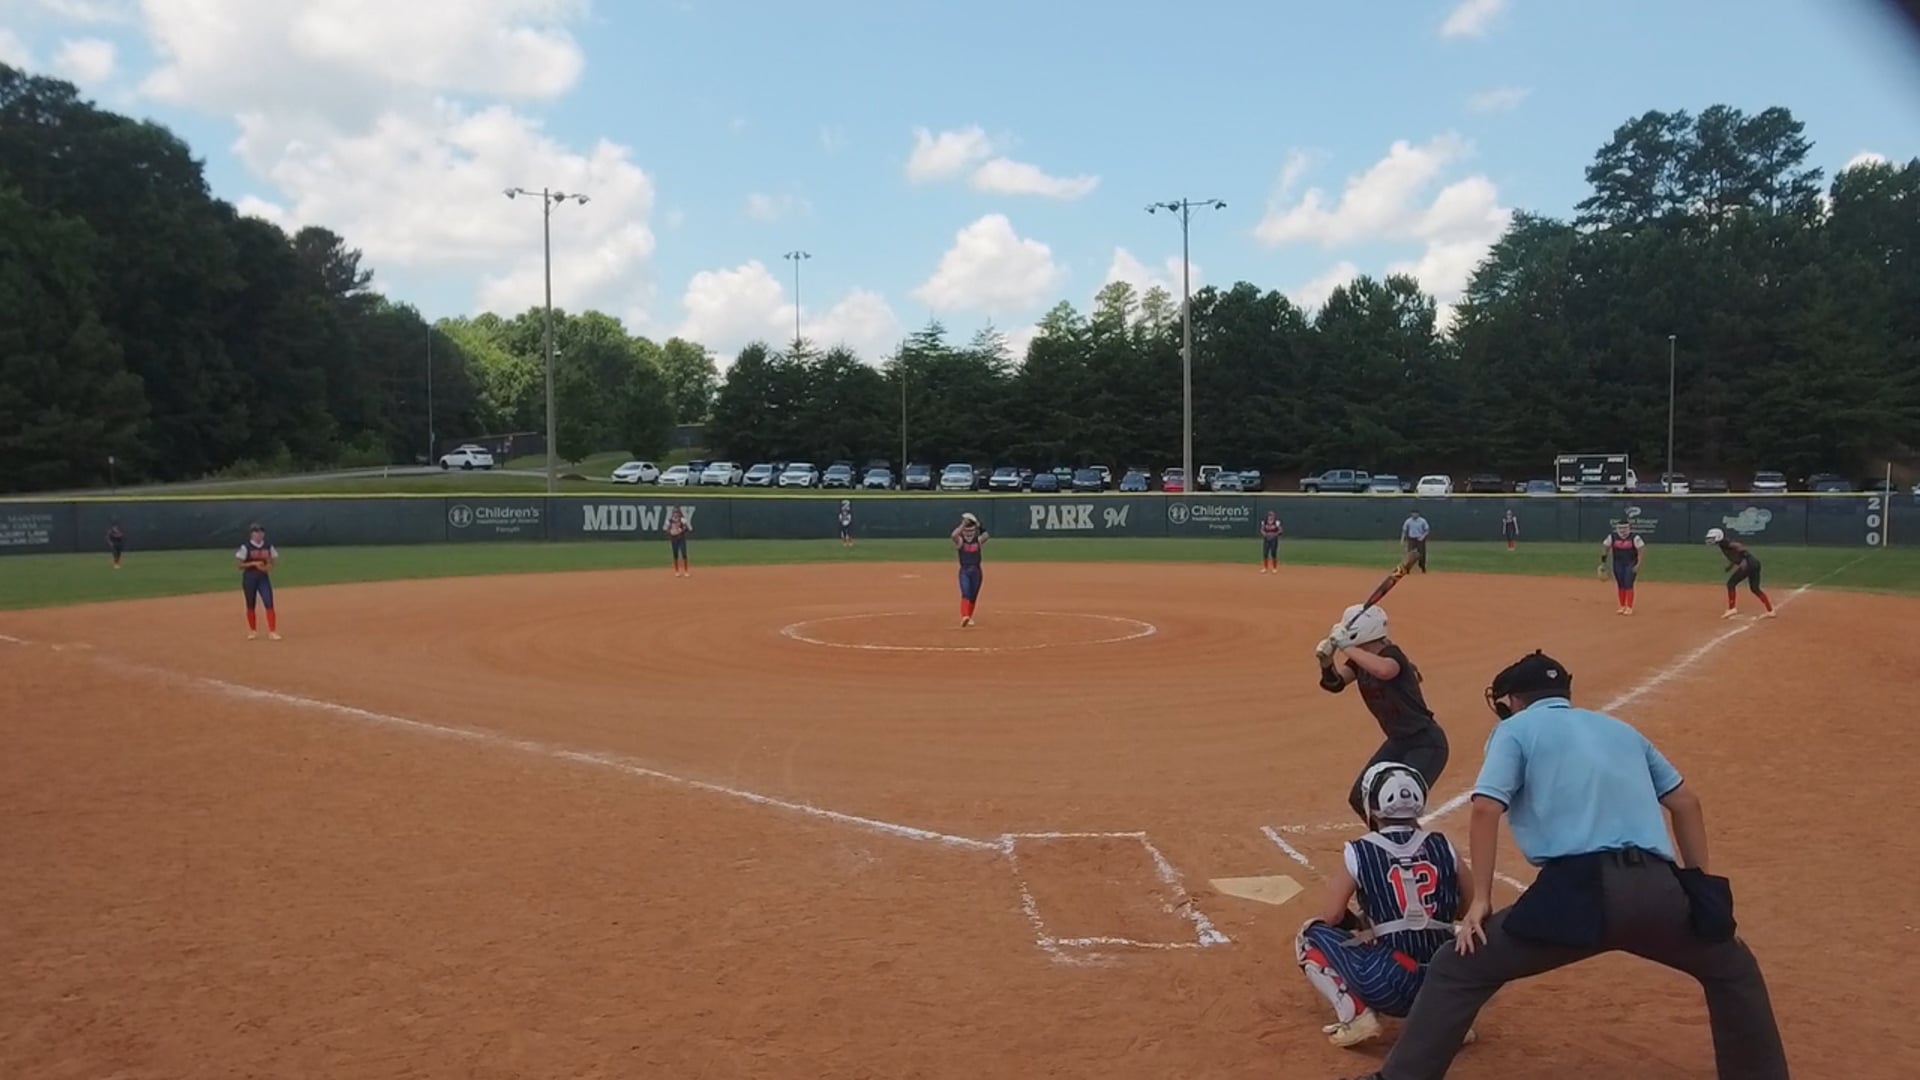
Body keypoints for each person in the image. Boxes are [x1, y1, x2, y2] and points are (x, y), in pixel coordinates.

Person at [1345, 650, 1790, 1080]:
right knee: (1733, 968)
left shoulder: (1516, 730)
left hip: (1576, 897)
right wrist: (1698, 885)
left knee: (1458, 967)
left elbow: (1485, 808)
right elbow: (1686, 803)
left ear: (1512, 700)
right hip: (1659, 891)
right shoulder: (1620, 729)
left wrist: (1480, 900)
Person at [1296, 761, 1477, 1050]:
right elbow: (1471, 908)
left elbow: (1332, 915)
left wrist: (1364, 925)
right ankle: (1449, 1022)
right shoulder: (1444, 844)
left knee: (1310, 935)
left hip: (1389, 984)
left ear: (1372, 804)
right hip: (1443, 984)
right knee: (1461, 935)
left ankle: (1355, 1016)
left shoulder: (1360, 850)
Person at [1315, 605, 1450, 824]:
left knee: (1401, 807)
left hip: (1425, 743)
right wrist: (1326, 663)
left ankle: (1412, 844)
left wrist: (1346, 646)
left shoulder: (1391, 654)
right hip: (1398, 742)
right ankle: (1384, 841)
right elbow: (1335, 684)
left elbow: (1385, 671)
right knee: (1361, 798)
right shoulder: (1360, 661)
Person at [1705, 528, 1774, 619]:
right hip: (1755, 563)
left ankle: (1732, 608)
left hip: (1748, 564)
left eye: (1712, 538)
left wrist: (1745, 558)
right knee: (1755, 589)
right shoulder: (1723, 544)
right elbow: (1735, 556)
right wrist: (1730, 566)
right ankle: (1770, 611)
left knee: (1731, 584)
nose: (1710, 540)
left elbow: (1738, 546)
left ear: (1718, 537)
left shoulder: (1725, 543)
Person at [234, 524, 280, 640]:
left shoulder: (268, 546)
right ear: (252, 534)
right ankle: (253, 631)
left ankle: (272, 631)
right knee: (251, 604)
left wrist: (268, 567)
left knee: (269, 602)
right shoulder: (246, 547)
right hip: (250, 578)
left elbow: (273, 561)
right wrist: (253, 564)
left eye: (260, 532)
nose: (259, 534)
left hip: (263, 578)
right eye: (256, 532)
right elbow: (239, 565)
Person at [1597, 520, 1646, 615]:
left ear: (1629, 528)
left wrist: (1638, 564)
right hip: (1618, 563)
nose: (1622, 530)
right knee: (1620, 584)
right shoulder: (1612, 537)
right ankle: (1622, 606)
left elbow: (1641, 550)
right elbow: (1605, 547)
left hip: (1631, 563)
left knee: (1628, 583)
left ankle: (1629, 607)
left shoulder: (1635, 538)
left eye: (1624, 528)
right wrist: (1603, 562)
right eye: (1620, 528)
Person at [952, 512, 988, 627]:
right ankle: (964, 615)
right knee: (966, 592)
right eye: (966, 531)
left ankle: (969, 617)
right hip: (965, 571)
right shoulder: (960, 541)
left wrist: (979, 525)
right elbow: (953, 535)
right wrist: (963, 524)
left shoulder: (978, 541)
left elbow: (986, 535)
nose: (969, 534)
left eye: (971, 531)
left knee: (973, 595)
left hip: (977, 571)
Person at [667, 507, 691, 577]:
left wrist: (681, 530)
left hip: (681, 539)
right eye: (674, 512)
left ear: (679, 513)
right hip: (674, 539)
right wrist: (670, 532)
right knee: (675, 555)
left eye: (677, 512)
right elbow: (667, 530)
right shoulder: (670, 521)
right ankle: (677, 571)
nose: (676, 514)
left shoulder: (682, 520)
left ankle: (686, 571)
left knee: (684, 554)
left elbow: (687, 528)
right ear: (673, 513)